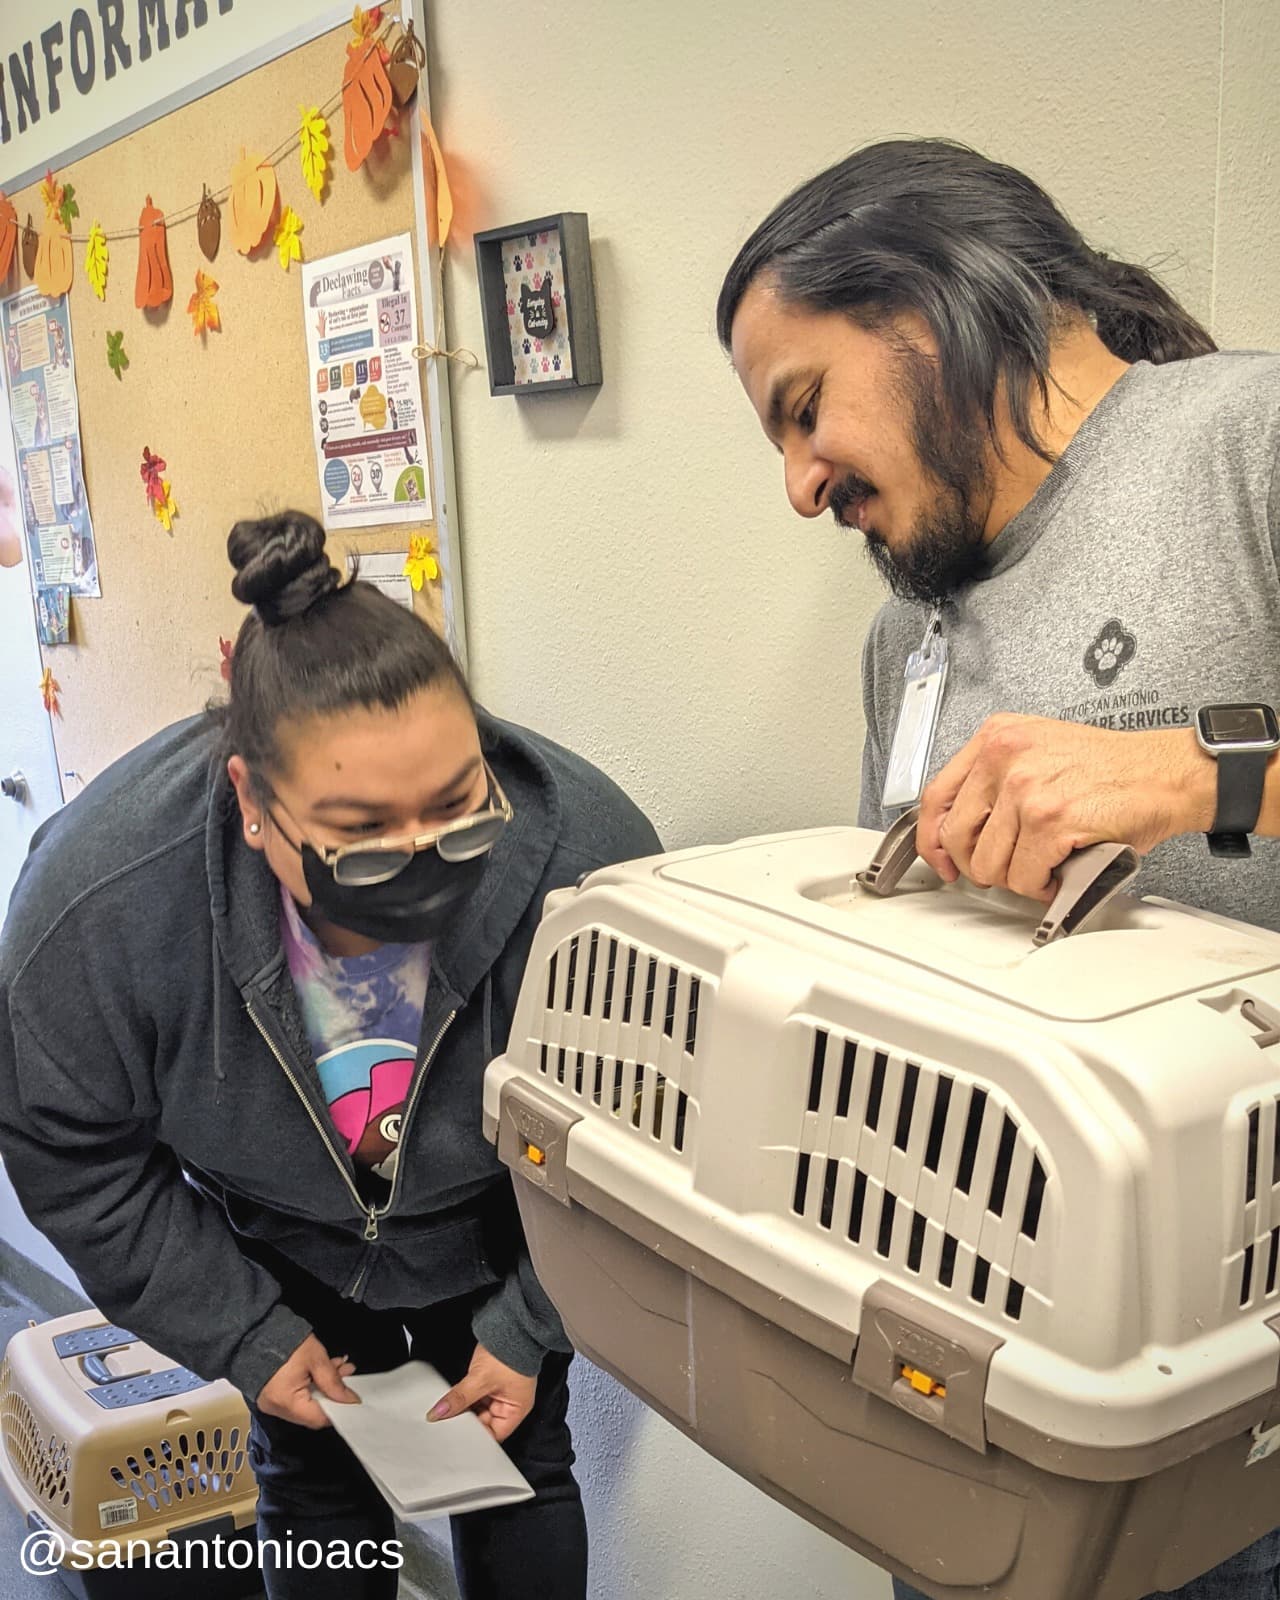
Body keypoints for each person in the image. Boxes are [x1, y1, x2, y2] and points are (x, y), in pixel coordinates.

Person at [718, 138, 1280, 1600]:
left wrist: (1188, 777)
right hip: (981, 1393)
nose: (795, 485)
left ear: (921, 305)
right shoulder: (905, 639)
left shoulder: (1247, 438)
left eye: (802, 410)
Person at [0, 510, 660, 1600]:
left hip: (498, 1229)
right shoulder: (102, 905)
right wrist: (246, 1331)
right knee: (312, 1484)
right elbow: (73, 1152)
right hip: (281, 1246)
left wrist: (530, 1322)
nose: (418, 862)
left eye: (454, 808)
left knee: (519, 1469)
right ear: (250, 799)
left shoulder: (589, 865)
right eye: (357, 829)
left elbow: (638, 1126)